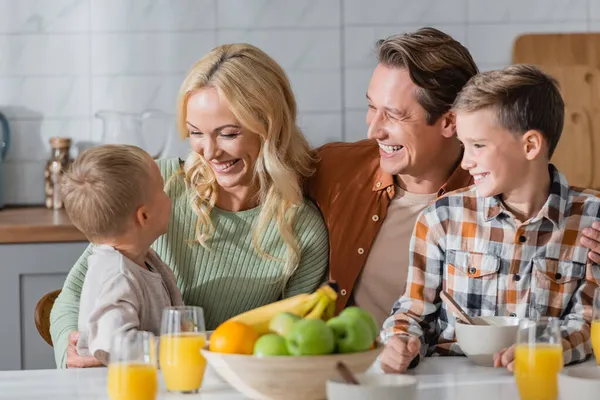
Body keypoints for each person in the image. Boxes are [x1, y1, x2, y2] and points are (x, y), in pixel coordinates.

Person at [50, 43, 330, 368]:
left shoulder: (302, 231)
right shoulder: (159, 184)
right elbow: (74, 294)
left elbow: (293, 343)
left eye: (227, 133)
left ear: (270, 128)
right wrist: (70, 351)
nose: (209, 152)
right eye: (196, 132)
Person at [306, 26, 600, 329]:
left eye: (393, 115)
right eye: (371, 107)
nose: (373, 130)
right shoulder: (337, 168)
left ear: (451, 121)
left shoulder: (499, 189)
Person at [380, 64, 600, 374]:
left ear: (530, 145)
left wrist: (550, 348)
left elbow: (588, 324)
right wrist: (401, 341)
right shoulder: (441, 218)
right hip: (452, 385)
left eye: (478, 146)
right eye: (464, 145)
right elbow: (415, 314)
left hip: (543, 381)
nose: (466, 161)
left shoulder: (591, 220)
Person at [60, 144, 184, 365]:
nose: (170, 197)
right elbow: (113, 344)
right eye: (162, 189)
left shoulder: (138, 261)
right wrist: (181, 347)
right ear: (143, 216)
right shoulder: (117, 275)